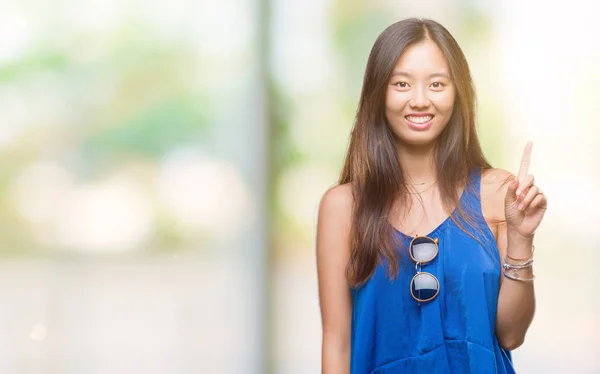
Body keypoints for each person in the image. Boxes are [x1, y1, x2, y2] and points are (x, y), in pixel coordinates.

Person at [316, 18, 548, 374]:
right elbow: (337, 344)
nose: (420, 100)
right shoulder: (342, 207)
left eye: (437, 84)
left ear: (458, 94)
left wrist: (521, 237)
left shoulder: (497, 192)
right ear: (378, 93)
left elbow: (512, 334)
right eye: (402, 84)